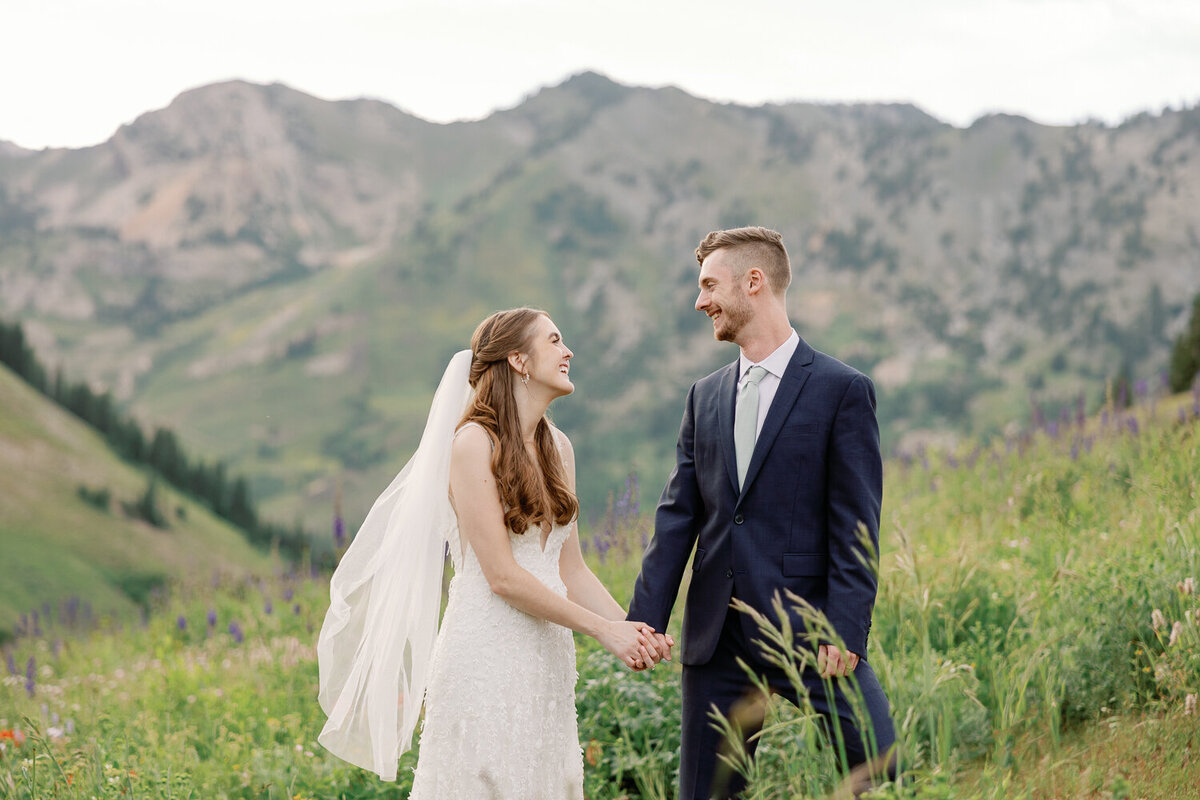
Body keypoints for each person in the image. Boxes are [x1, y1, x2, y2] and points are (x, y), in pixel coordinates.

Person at [317, 307, 668, 799]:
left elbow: (572, 568)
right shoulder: (471, 444)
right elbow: (501, 576)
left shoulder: (560, 448)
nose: (568, 352)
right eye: (554, 341)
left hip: (547, 660)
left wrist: (633, 629)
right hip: (487, 654)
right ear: (519, 360)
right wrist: (604, 632)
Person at [628, 227, 896, 798]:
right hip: (715, 637)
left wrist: (845, 628)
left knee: (881, 767)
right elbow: (678, 516)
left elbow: (856, 524)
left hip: (810, 629)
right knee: (709, 793)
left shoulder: (841, 389)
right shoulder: (704, 396)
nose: (700, 302)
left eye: (708, 285)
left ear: (754, 282)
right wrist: (644, 619)